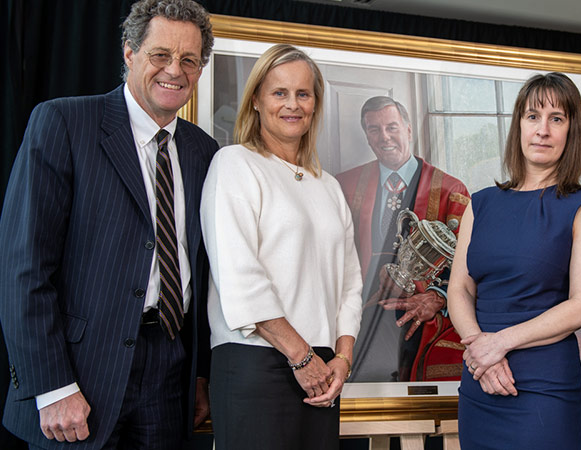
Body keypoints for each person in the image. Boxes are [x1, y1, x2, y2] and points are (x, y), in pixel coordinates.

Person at [0, 0, 218, 448]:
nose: (174, 70)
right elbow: (24, 267)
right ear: (129, 53)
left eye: (189, 60)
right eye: (160, 55)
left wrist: (200, 376)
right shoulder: (64, 122)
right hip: (80, 371)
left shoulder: (205, 151)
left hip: (170, 371)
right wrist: (53, 386)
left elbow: (204, 269)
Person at [200, 44, 362, 450]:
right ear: (256, 99)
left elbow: (350, 283)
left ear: (315, 104)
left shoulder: (329, 186)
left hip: (321, 367)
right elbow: (240, 277)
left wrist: (341, 359)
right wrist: (302, 357)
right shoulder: (234, 163)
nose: (293, 105)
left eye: (303, 94)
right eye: (279, 93)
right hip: (256, 361)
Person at [448, 72, 581, 449]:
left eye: (557, 119)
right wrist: (480, 351)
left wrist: (497, 344)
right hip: (479, 381)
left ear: (572, 131)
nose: (542, 130)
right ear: (518, 124)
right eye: (533, 116)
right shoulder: (481, 202)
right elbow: (459, 288)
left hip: (543, 389)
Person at [336, 96, 470, 382]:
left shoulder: (451, 190)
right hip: (359, 317)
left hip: (423, 318)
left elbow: (469, 265)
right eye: (374, 129)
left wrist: (437, 297)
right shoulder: (344, 187)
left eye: (392, 127)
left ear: (409, 129)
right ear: (367, 136)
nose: (384, 137)